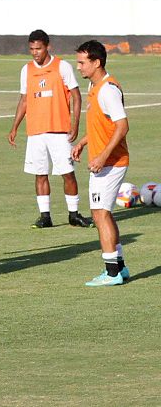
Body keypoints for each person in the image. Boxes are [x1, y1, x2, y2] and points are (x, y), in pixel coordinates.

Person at [8, 30, 93, 229]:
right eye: (31, 49)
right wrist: (14, 127)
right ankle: (45, 216)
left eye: (38, 48)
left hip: (59, 130)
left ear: (48, 46)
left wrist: (75, 123)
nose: (35, 53)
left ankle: (74, 214)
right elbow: (24, 99)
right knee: (40, 174)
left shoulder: (62, 66)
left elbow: (76, 95)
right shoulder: (26, 70)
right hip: (35, 131)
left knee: (67, 173)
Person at [71, 41, 130, 286]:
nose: (78, 67)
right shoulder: (94, 87)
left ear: (96, 62)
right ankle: (120, 268)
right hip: (102, 162)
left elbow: (122, 125)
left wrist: (103, 156)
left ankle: (112, 274)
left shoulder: (107, 90)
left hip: (110, 163)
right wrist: (83, 142)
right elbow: (102, 125)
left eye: (82, 62)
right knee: (102, 214)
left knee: (100, 214)